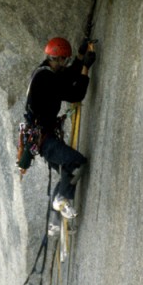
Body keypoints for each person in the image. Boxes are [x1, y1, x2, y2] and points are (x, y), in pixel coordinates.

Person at [25, 36, 96, 219]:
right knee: (76, 163)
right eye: (66, 60)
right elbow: (75, 94)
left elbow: (65, 77)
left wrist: (80, 58)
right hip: (45, 140)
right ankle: (61, 200)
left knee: (67, 171)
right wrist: (85, 68)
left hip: (42, 138)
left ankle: (55, 220)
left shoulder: (44, 72)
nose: (66, 64)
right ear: (59, 58)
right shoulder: (46, 78)